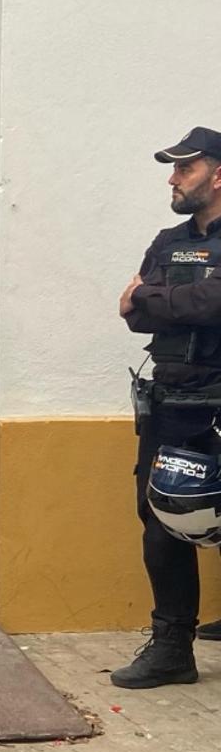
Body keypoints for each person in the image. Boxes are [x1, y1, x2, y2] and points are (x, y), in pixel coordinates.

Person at [114, 126, 221, 688]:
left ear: (218, 175)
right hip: (171, 407)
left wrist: (150, 296)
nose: (173, 178)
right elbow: (133, 316)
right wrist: (164, 303)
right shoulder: (167, 241)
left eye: (185, 168)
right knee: (161, 522)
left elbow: (212, 301)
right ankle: (173, 649)